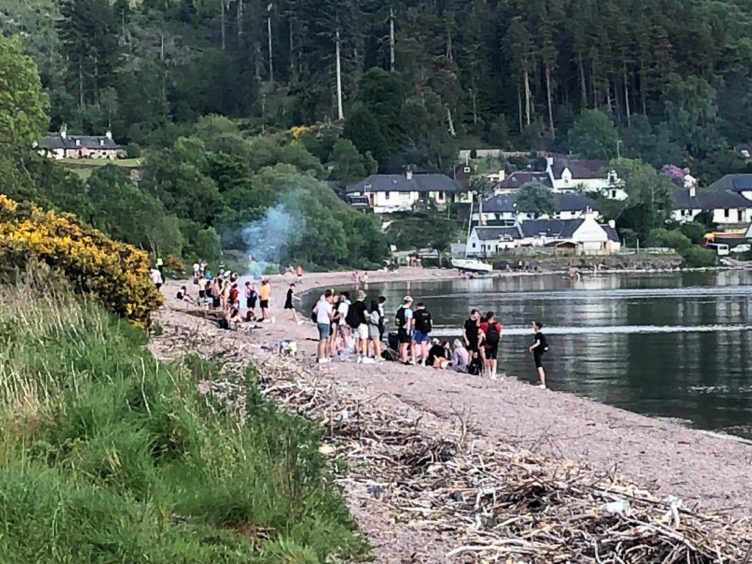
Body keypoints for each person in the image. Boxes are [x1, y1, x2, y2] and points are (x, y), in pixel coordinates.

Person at [479, 311, 503, 379]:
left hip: (487, 343)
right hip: (495, 343)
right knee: (494, 358)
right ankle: (493, 374)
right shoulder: (497, 324)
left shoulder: (484, 325)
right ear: (492, 316)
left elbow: (480, 330)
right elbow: (500, 334)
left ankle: (488, 372)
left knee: (487, 358)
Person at [313, 290, 335, 364]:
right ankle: (322, 357)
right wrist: (332, 317)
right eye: (331, 297)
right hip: (325, 323)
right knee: (324, 340)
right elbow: (330, 315)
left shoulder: (320, 303)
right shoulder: (327, 305)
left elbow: (315, 311)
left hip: (319, 322)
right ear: (329, 297)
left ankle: (320, 356)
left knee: (321, 340)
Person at [350, 290, 369, 363]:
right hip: (362, 324)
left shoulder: (353, 305)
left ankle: (357, 354)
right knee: (364, 339)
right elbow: (366, 315)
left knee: (357, 339)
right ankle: (364, 355)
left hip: (355, 324)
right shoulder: (362, 305)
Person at [529, 321, 549, 389]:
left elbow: (538, 343)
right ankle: (542, 382)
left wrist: (531, 347)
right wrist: (534, 323)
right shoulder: (541, 334)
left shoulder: (538, 335)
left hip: (537, 352)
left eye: (534, 326)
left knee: (539, 366)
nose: (533, 327)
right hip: (540, 351)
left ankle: (543, 383)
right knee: (539, 366)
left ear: (537, 327)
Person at [395, 296, 414, 364]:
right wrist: (408, 330)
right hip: (405, 328)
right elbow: (409, 321)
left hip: (400, 328)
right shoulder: (408, 311)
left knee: (401, 344)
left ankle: (401, 357)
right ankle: (404, 359)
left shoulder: (400, 309)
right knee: (405, 344)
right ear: (410, 302)